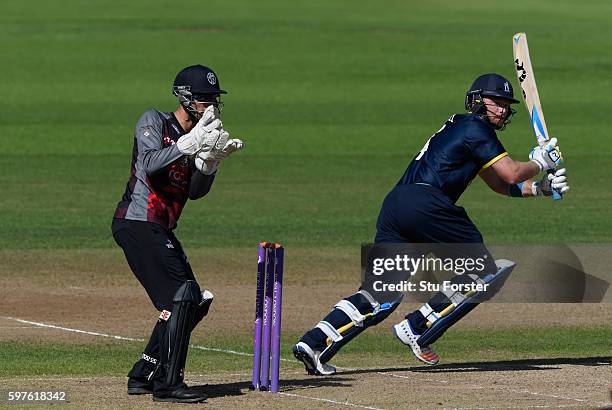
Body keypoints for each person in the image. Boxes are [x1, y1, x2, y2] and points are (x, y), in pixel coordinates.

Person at [293, 73, 569, 374]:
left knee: (380, 295)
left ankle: (314, 343)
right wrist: (541, 161)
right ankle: (417, 327)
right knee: (483, 273)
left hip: (397, 206)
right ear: (477, 100)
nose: (502, 110)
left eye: (506, 104)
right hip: (428, 205)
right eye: (496, 102)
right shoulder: (476, 128)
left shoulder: (461, 128)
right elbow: (513, 172)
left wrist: (539, 187)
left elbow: (501, 184)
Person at [112, 64, 243, 403]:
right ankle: (169, 384)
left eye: (214, 100)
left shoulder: (200, 135)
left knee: (192, 302)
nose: (210, 108)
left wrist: (209, 163)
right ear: (185, 99)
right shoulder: (153, 121)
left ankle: (143, 374)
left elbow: (195, 192)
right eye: (203, 101)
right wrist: (189, 145)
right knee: (184, 293)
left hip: (160, 226)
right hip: (138, 221)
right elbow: (150, 164)